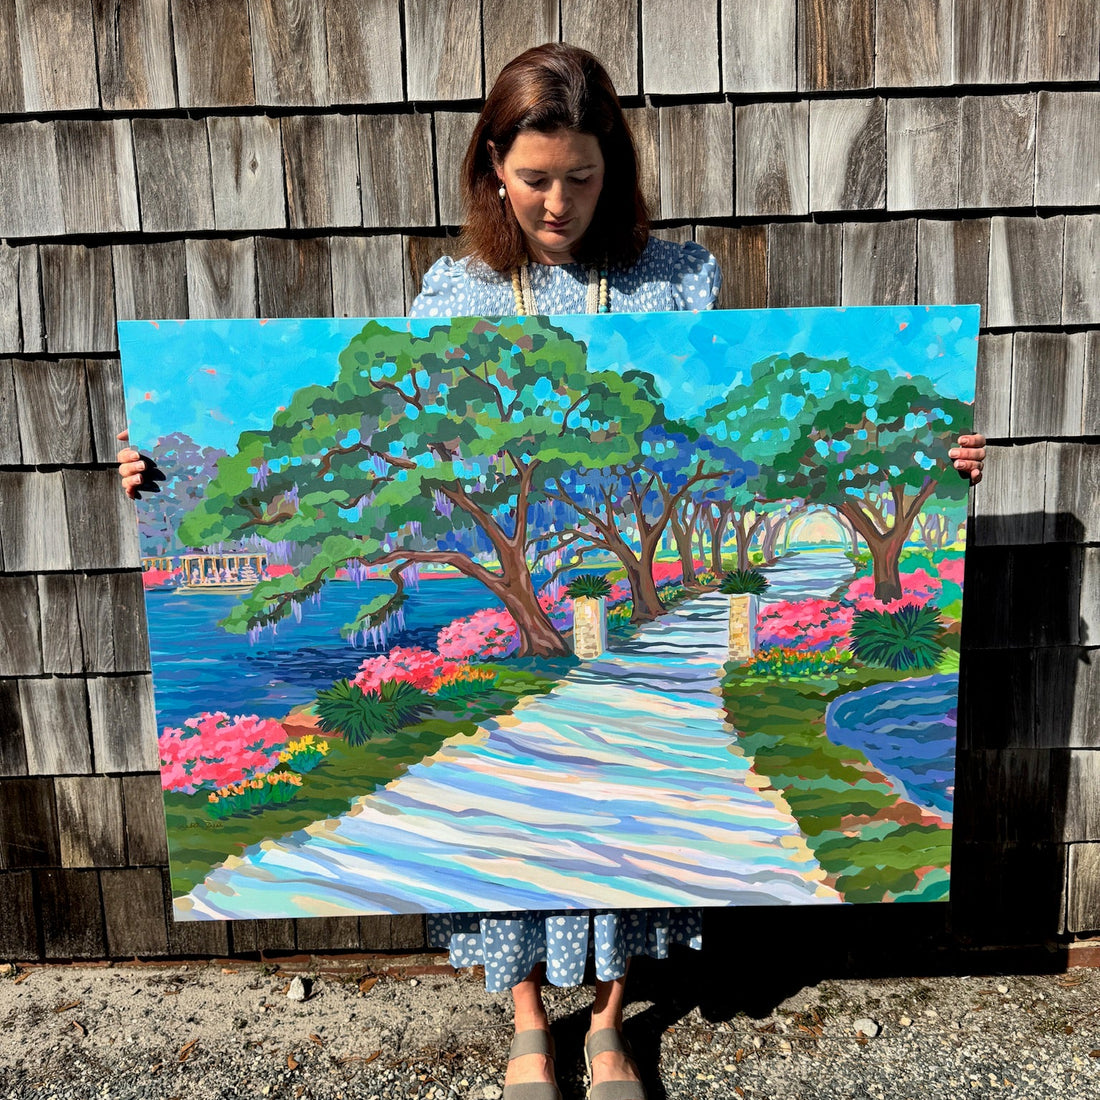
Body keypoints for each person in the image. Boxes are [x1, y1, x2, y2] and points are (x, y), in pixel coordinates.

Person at [118, 42, 987, 1100]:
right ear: (491, 166)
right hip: (525, 558)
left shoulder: (677, 284)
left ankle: (611, 1021)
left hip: (615, 574)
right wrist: (159, 474)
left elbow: (731, 419)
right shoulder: (456, 293)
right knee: (507, 845)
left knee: (633, 799)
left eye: (581, 176)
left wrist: (932, 457)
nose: (558, 202)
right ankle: (529, 1017)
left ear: (610, 167)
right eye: (534, 178)